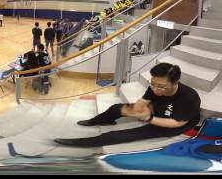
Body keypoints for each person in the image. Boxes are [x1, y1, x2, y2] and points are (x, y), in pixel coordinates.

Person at [54, 63, 201, 147]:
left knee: (121, 135)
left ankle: (79, 143)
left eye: (161, 86)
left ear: (175, 83)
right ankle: (96, 121)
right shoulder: (155, 88)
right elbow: (141, 104)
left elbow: (176, 123)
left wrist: (148, 119)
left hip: (171, 124)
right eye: (153, 84)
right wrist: (135, 110)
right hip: (155, 112)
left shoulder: (189, 97)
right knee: (116, 108)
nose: (155, 89)